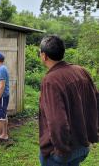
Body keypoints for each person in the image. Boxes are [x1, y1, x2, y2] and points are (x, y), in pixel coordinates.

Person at [38, 35, 99, 166]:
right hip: (82, 145)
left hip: (62, 153)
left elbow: (57, 122)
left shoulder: (50, 81)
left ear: (44, 55)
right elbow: (96, 103)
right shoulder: (82, 71)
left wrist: (61, 151)